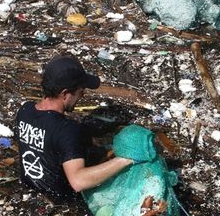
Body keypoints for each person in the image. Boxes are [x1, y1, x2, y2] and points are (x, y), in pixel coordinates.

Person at [15, 55, 138, 202]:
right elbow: (78, 181)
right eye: (81, 90)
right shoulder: (66, 129)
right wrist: (125, 160)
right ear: (65, 94)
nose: (83, 94)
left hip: (29, 190)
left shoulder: (25, 111)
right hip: (60, 202)